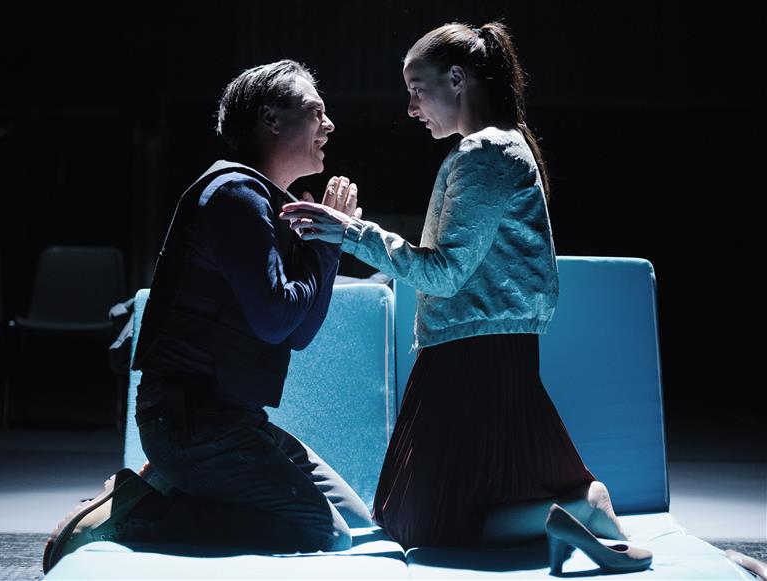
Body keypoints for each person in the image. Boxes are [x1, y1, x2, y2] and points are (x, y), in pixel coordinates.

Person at [279, 21, 653, 573]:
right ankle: (573, 509)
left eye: (417, 89)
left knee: (419, 522)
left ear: (457, 79)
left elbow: (445, 273)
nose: (411, 108)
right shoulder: (495, 149)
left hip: (475, 354)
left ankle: (579, 508)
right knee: (412, 517)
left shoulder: (486, 153)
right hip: (477, 347)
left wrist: (351, 232)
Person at [42, 59, 371, 574]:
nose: (329, 125)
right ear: (271, 119)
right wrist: (326, 246)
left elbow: (298, 333)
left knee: (355, 520)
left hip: (233, 420)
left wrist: (324, 244)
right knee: (324, 533)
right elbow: (276, 321)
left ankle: (173, 485)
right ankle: (144, 512)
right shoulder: (234, 194)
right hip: (192, 423)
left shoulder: (265, 201)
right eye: (315, 111)